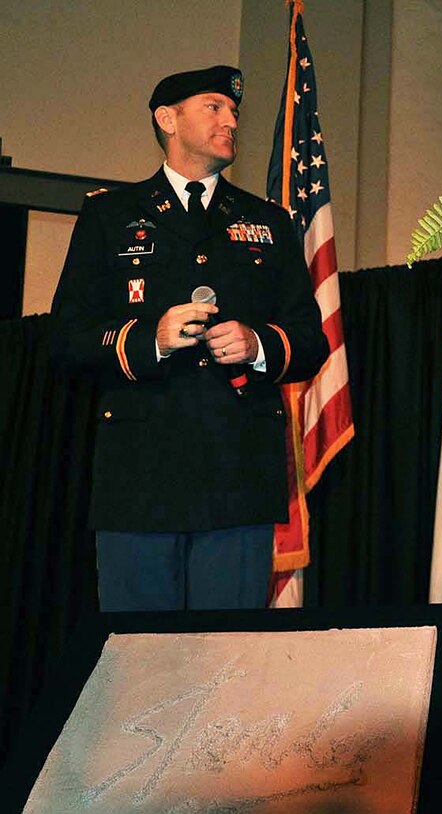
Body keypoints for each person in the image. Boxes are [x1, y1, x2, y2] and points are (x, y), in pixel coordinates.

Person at [50, 65, 329, 612]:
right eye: (214, 107)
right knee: (139, 669)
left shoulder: (267, 221)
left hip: (237, 478)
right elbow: (66, 339)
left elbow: (310, 340)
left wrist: (258, 343)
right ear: (167, 119)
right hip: (140, 480)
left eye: (234, 112)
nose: (231, 121)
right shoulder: (110, 214)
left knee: (227, 664)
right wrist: (147, 339)